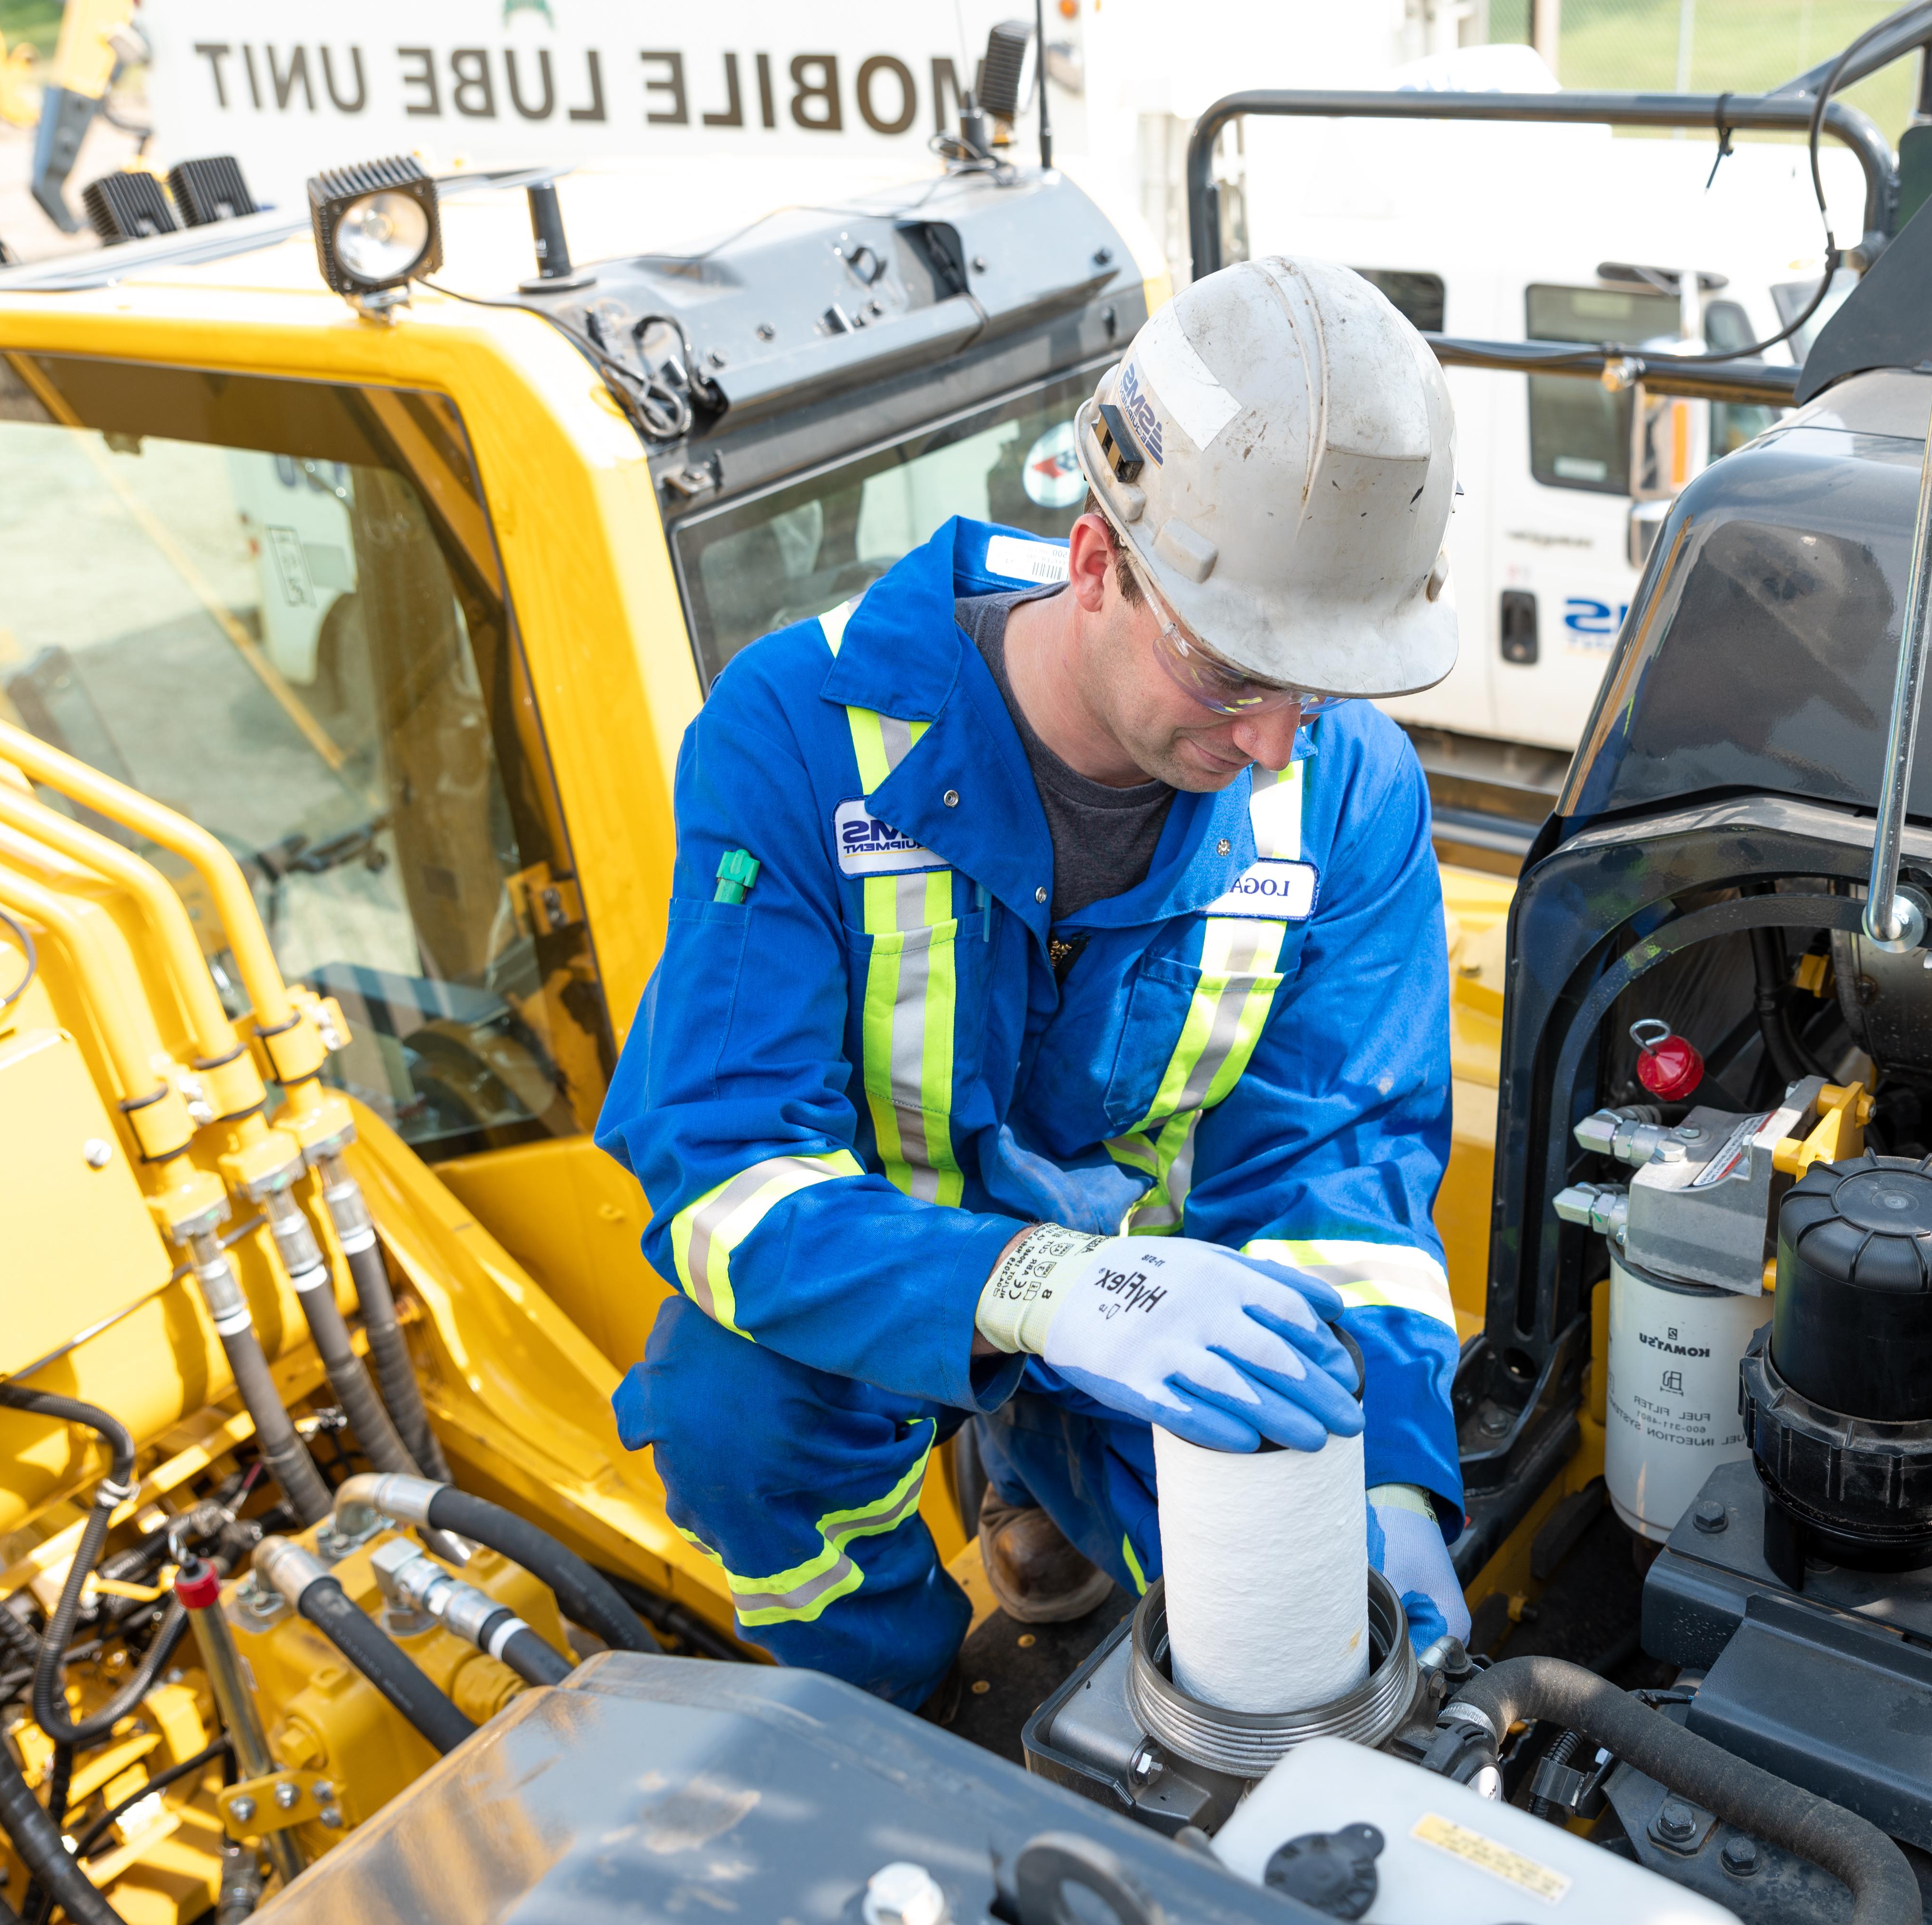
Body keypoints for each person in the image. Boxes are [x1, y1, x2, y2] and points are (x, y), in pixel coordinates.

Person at [596, 256, 1470, 1713]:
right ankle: (896, 1690)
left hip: (1164, 1288)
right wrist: (1038, 1290)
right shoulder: (801, 738)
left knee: (1264, 1610)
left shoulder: (1347, 786)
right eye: (1233, 678)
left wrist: (1380, 1482)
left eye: (1316, 691)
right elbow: (723, 1173)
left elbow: (1341, 1175)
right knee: (726, 1414)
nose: (1273, 747)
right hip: (877, 1278)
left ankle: (1050, 1490)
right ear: (1093, 565)